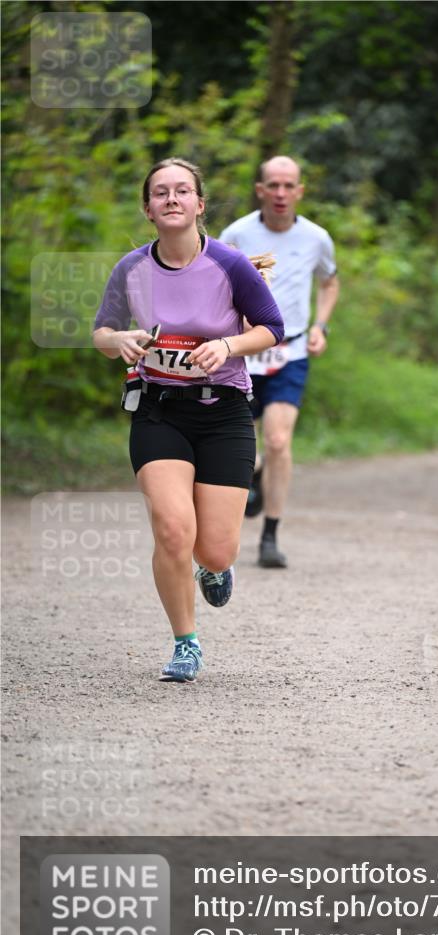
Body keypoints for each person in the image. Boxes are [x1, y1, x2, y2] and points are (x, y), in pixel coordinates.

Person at [93, 157, 284, 681]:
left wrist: (226, 344)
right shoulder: (131, 268)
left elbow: (272, 327)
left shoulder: (230, 264)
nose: (171, 198)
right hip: (159, 411)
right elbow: (102, 334)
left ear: (200, 205)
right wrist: (119, 340)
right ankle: (185, 642)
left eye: (182, 191)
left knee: (215, 548)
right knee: (174, 529)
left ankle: (215, 569)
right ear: (148, 209)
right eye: (160, 192)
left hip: (222, 412)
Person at [220, 155, 339, 568]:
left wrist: (321, 324)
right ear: (260, 190)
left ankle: (270, 535)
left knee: (277, 441)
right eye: (274, 185)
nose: (281, 193)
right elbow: (214, 285)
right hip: (242, 353)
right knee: (237, 444)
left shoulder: (317, 238)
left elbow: (330, 281)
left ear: (300, 191)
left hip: (291, 352)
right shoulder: (236, 234)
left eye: (289, 186)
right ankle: (251, 479)